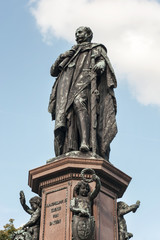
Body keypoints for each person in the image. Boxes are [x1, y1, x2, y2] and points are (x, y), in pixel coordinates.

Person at [48, 26, 117, 160]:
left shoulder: (96, 48)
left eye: (80, 32)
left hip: (84, 82)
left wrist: (102, 64)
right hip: (66, 88)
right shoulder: (71, 53)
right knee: (68, 115)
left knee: (79, 103)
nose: (77, 35)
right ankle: (70, 146)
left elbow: (103, 60)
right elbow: (53, 72)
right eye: (76, 33)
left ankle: (85, 142)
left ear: (89, 34)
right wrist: (62, 56)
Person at [70, 170, 101, 240]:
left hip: (88, 220)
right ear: (78, 189)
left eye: (87, 189)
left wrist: (97, 181)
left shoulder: (89, 198)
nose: (85, 190)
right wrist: (80, 210)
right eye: (83, 188)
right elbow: (71, 207)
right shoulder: (75, 199)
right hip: (78, 219)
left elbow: (97, 190)